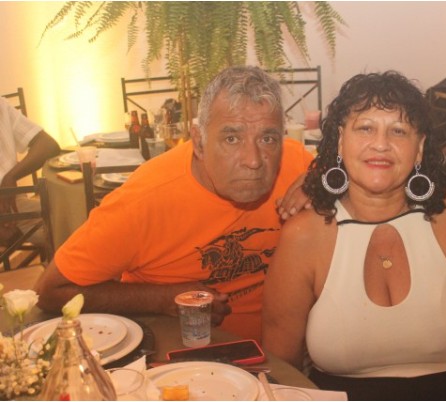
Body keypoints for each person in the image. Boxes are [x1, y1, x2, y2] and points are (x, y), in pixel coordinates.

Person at [262, 71, 446, 400]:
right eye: (365, 128)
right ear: (341, 141)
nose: (381, 144)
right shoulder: (304, 236)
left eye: (399, 130)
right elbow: (281, 370)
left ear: (419, 149)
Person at [35, 66, 313, 342]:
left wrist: (326, 184)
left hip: (285, 349)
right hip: (177, 352)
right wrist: (162, 299)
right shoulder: (144, 200)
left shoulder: (297, 165)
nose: (253, 160)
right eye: (231, 139)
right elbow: (50, 291)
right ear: (199, 142)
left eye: (267, 139)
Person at [0, 96, 60, 247]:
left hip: (10, 200)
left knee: (70, 216)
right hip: (8, 206)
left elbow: (48, 145)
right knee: (67, 220)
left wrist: (11, 176)